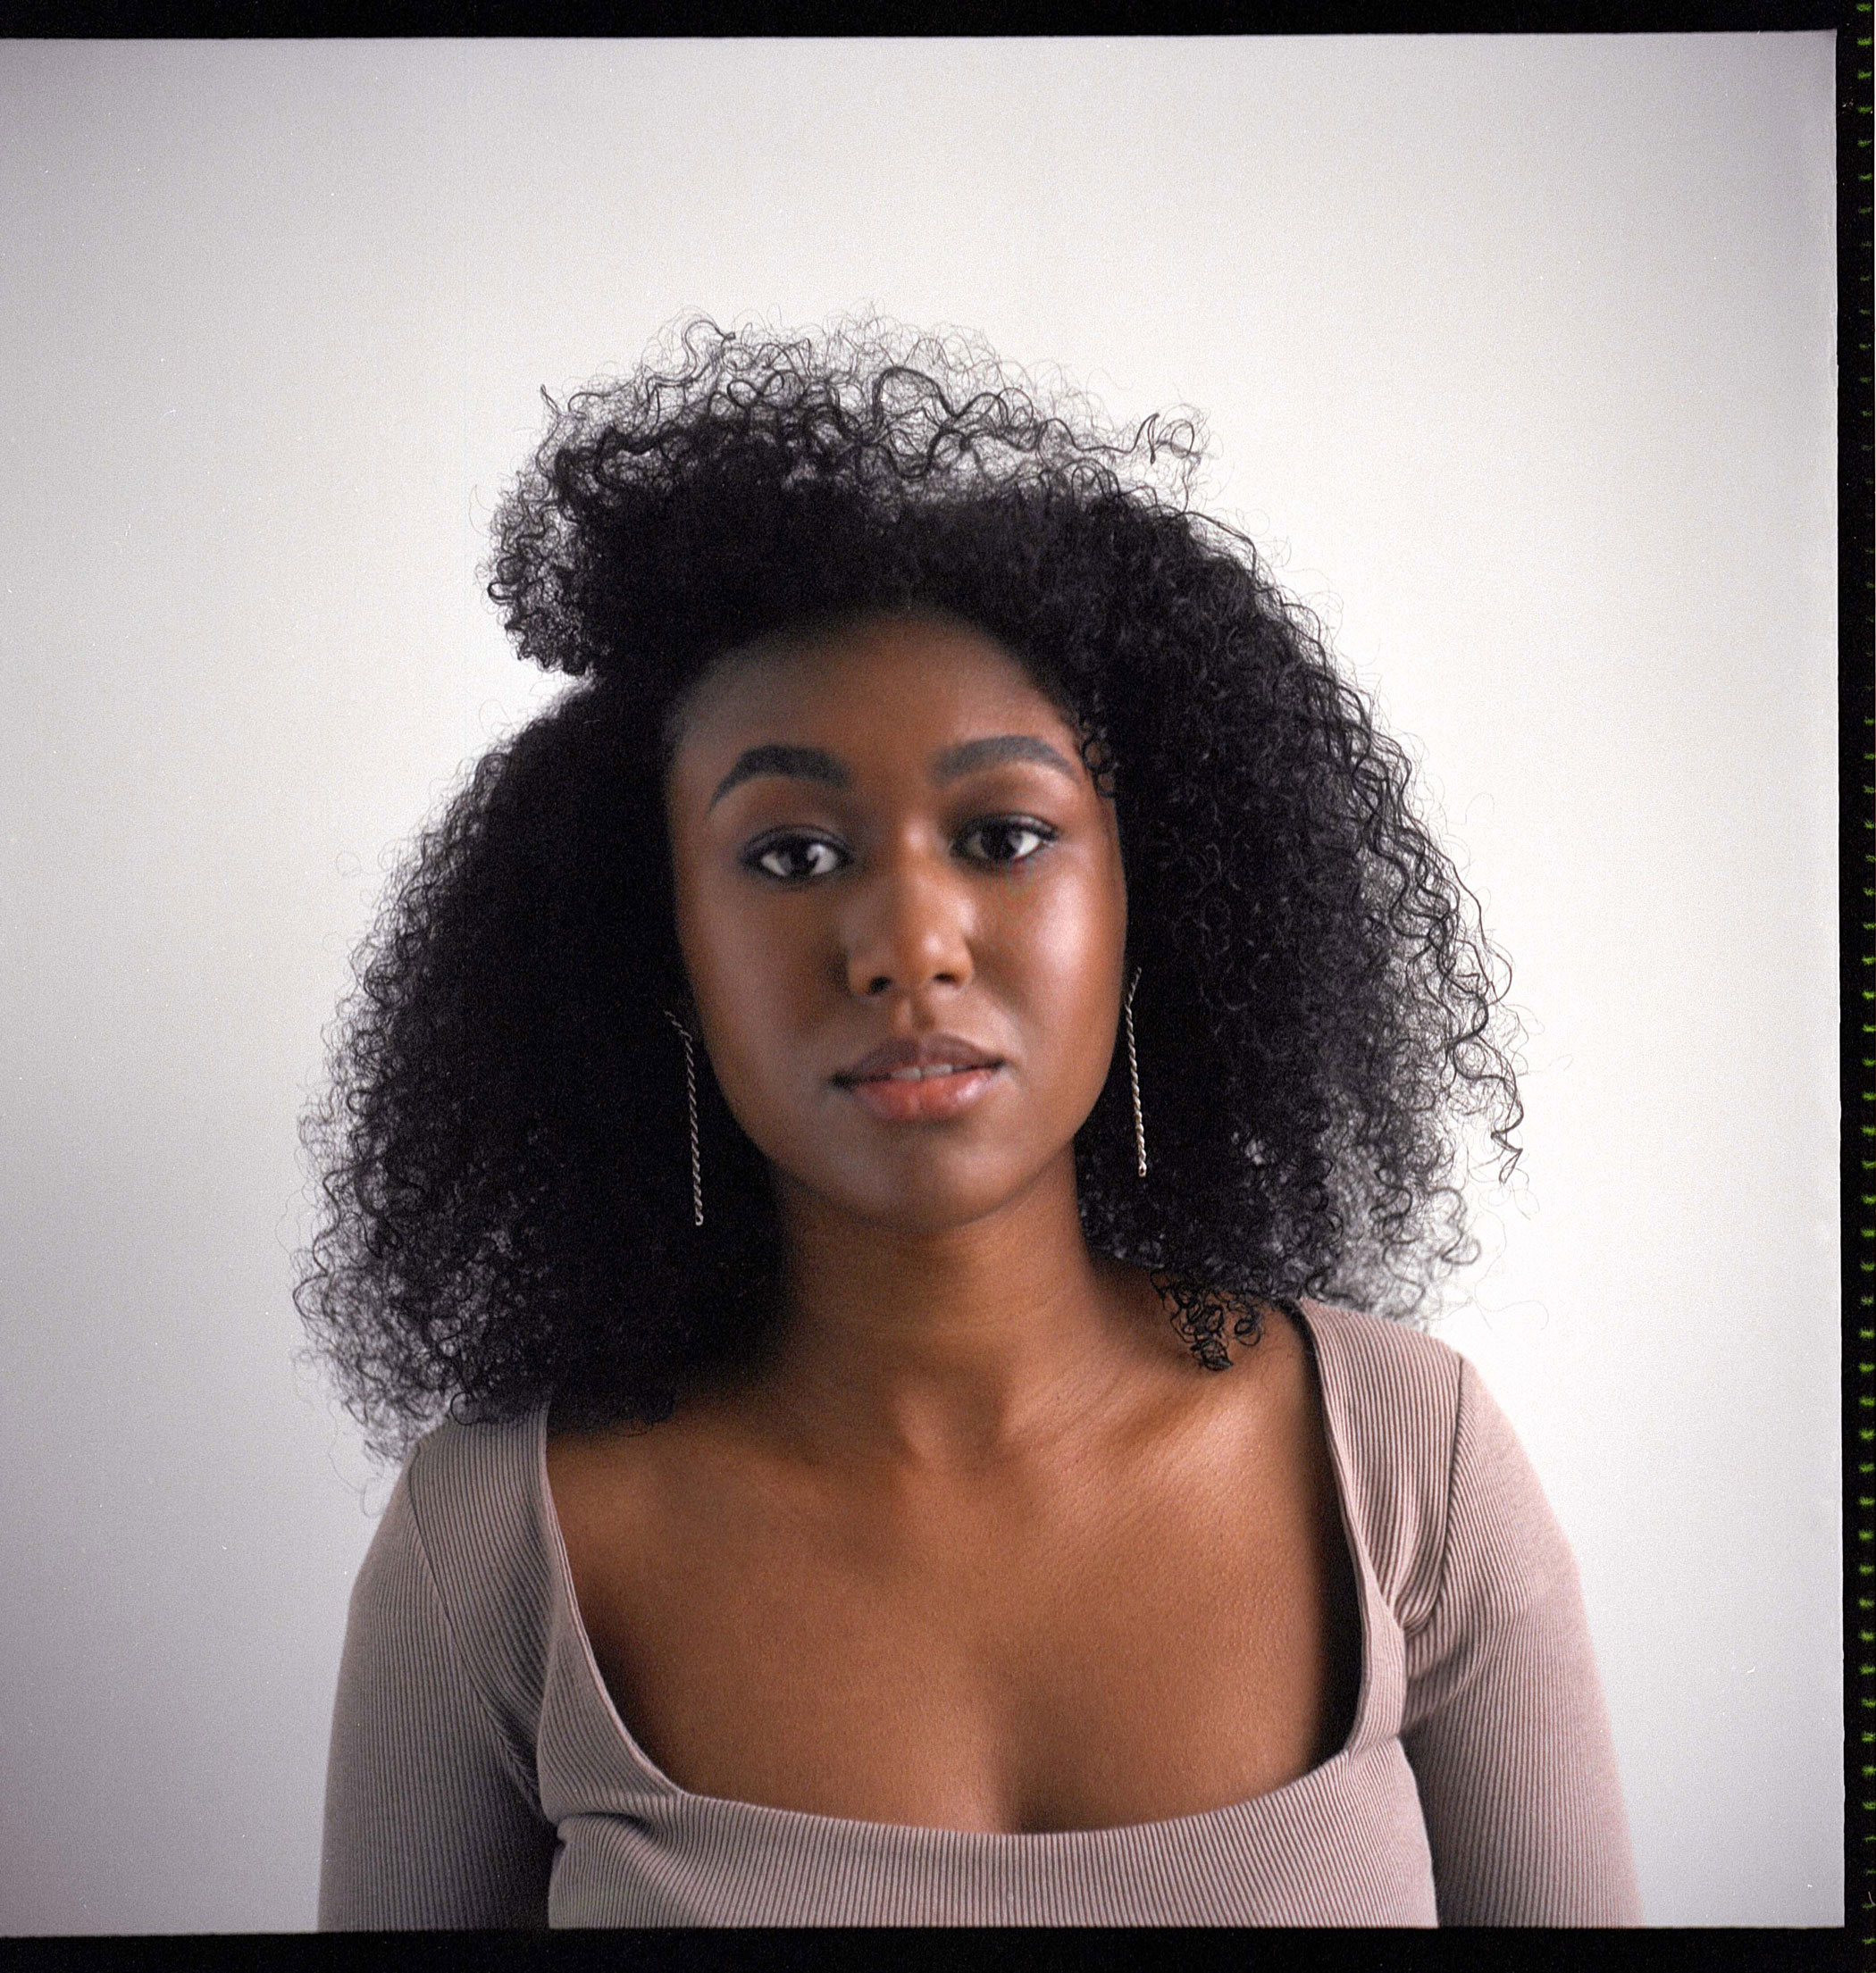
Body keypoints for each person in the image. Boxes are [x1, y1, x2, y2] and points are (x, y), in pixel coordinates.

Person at [298, 317, 1642, 1927]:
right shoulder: (495, 1552)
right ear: (656, 944)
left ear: (1156, 907)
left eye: (1003, 834)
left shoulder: (1409, 1464)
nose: (906, 943)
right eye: (792, 855)